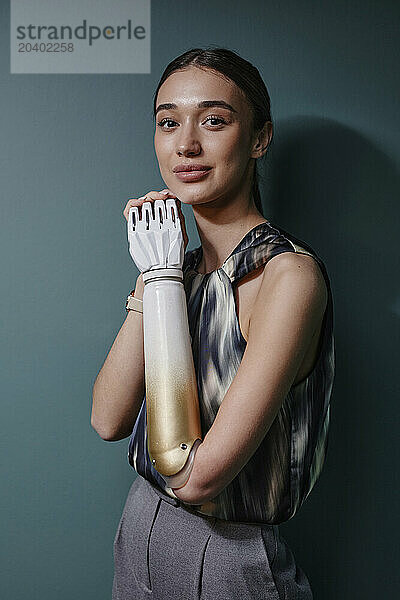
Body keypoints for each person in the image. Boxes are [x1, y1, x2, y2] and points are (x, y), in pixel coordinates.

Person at [91, 47, 335, 600]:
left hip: (227, 558)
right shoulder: (174, 269)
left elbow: (199, 478)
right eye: (169, 122)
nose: (186, 144)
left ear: (259, 138)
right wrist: (158, 277)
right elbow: (107, 417)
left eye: (215, 119)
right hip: (141, 530)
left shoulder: (289, 277)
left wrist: (161, 279)